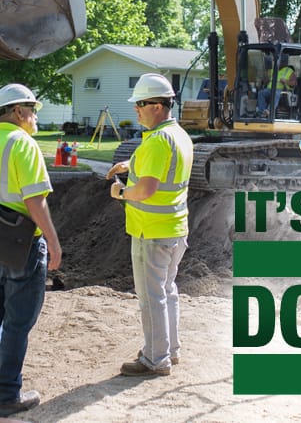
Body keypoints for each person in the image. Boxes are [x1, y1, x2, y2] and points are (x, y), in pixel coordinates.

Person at [0, 83, 62, 417]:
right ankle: (7, 396)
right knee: (17, 323)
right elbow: (34, 200)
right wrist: (52, 241)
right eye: (32, 109)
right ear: (19, 112)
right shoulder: (24, 144)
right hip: (20, 246)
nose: (35, 116)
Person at [107, 73, 193, 377]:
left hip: (151, 231)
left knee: (150, 297)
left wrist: (121, 192)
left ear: (157, 106)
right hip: (173, 230)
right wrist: (129, 165)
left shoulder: (157, 141)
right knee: (167, 291)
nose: (137, 109)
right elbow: (162, 167)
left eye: (141, 103)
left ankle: (155, 359)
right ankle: (170, 350)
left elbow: (145, 189)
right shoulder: (178, 135)